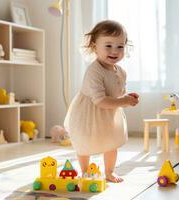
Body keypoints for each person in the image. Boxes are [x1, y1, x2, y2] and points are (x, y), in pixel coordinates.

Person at [64, 20, 139, 183]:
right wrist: (123, 100)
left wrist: (127, 99)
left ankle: (109, 172)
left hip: (109, 114)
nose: (115, 51)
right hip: (89, 112)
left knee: (111, 143)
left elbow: (118, 93)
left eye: (120, 46)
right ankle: (85, 172)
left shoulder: (121, 71)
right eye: (108, 46)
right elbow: (99, 100)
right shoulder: (94, 71)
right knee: (85, 143)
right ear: (94, 46)